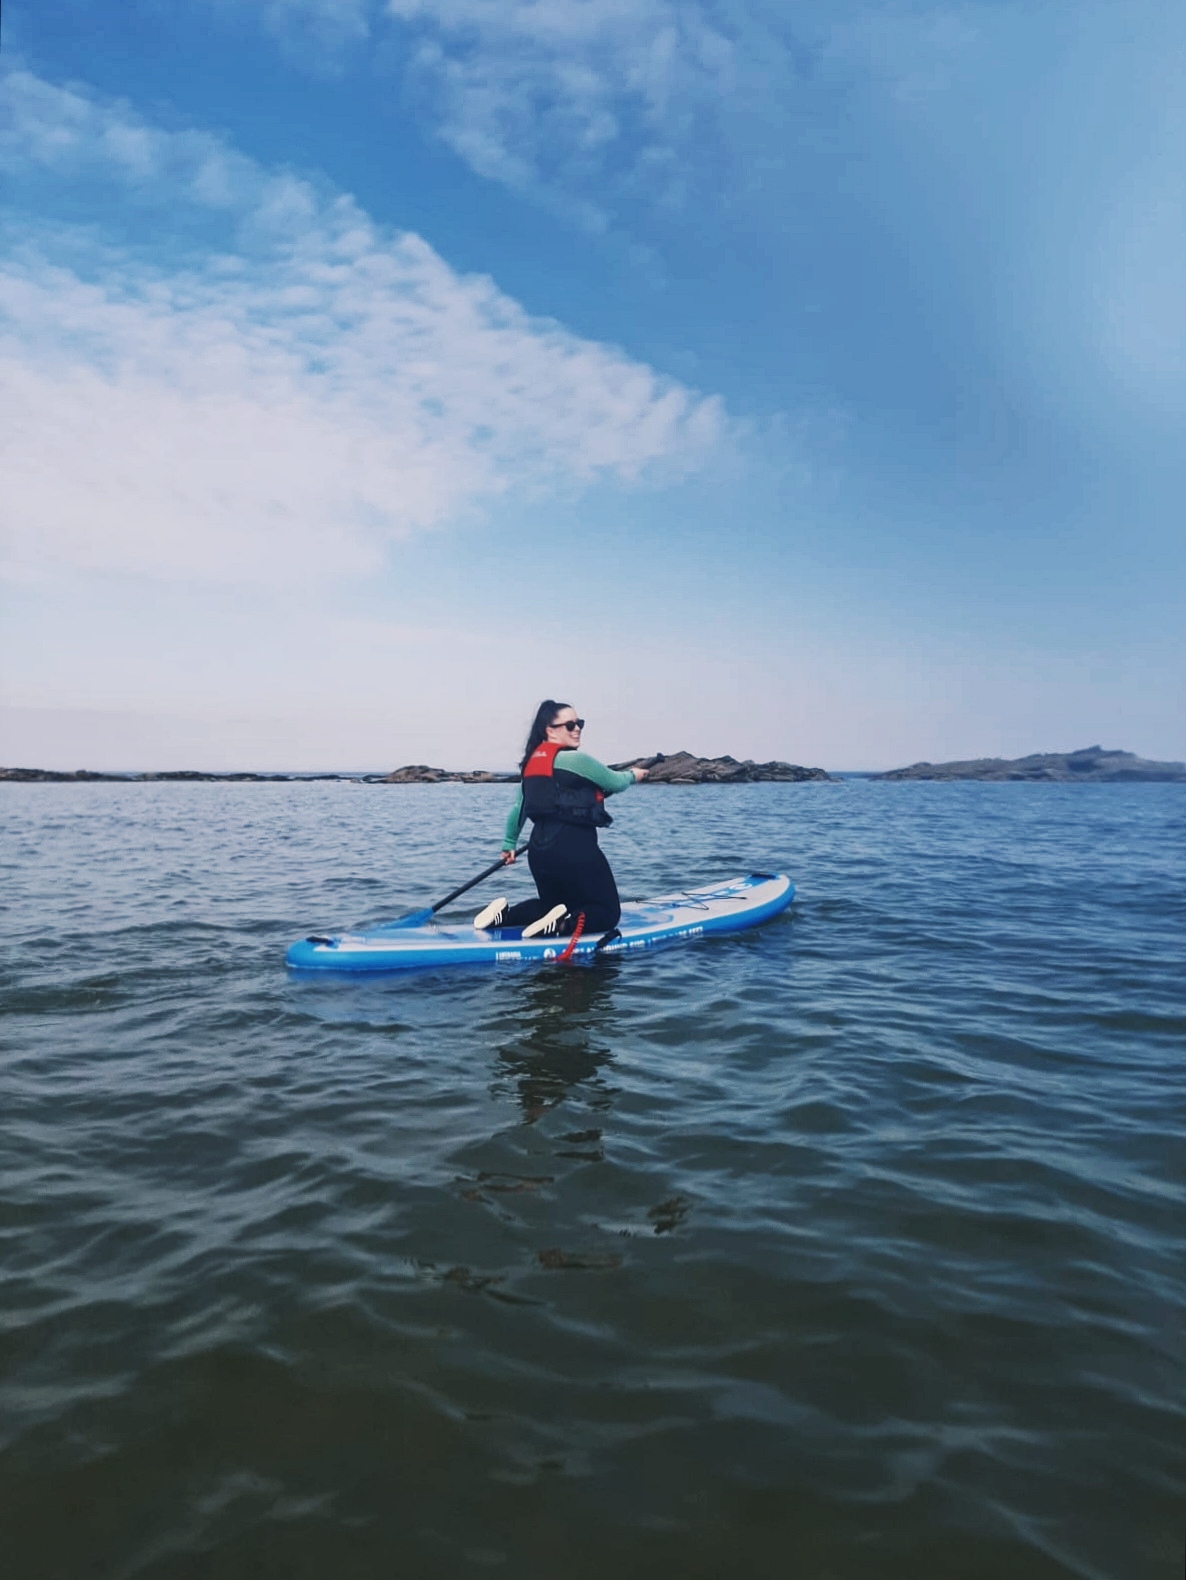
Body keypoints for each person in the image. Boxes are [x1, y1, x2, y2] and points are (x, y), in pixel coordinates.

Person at [474, 701, 648, 937]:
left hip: (539, 851)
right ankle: (561, 925)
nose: (577, 729)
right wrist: (633, 775)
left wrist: (509, 845)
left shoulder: (532, 765)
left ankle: (505, 916)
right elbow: (615, 782)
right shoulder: (576, 761)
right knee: (607, 913)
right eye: (569, 725)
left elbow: (519, 808)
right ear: (550, 730)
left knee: (551, 906)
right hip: (573, 846)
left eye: (580, 723)